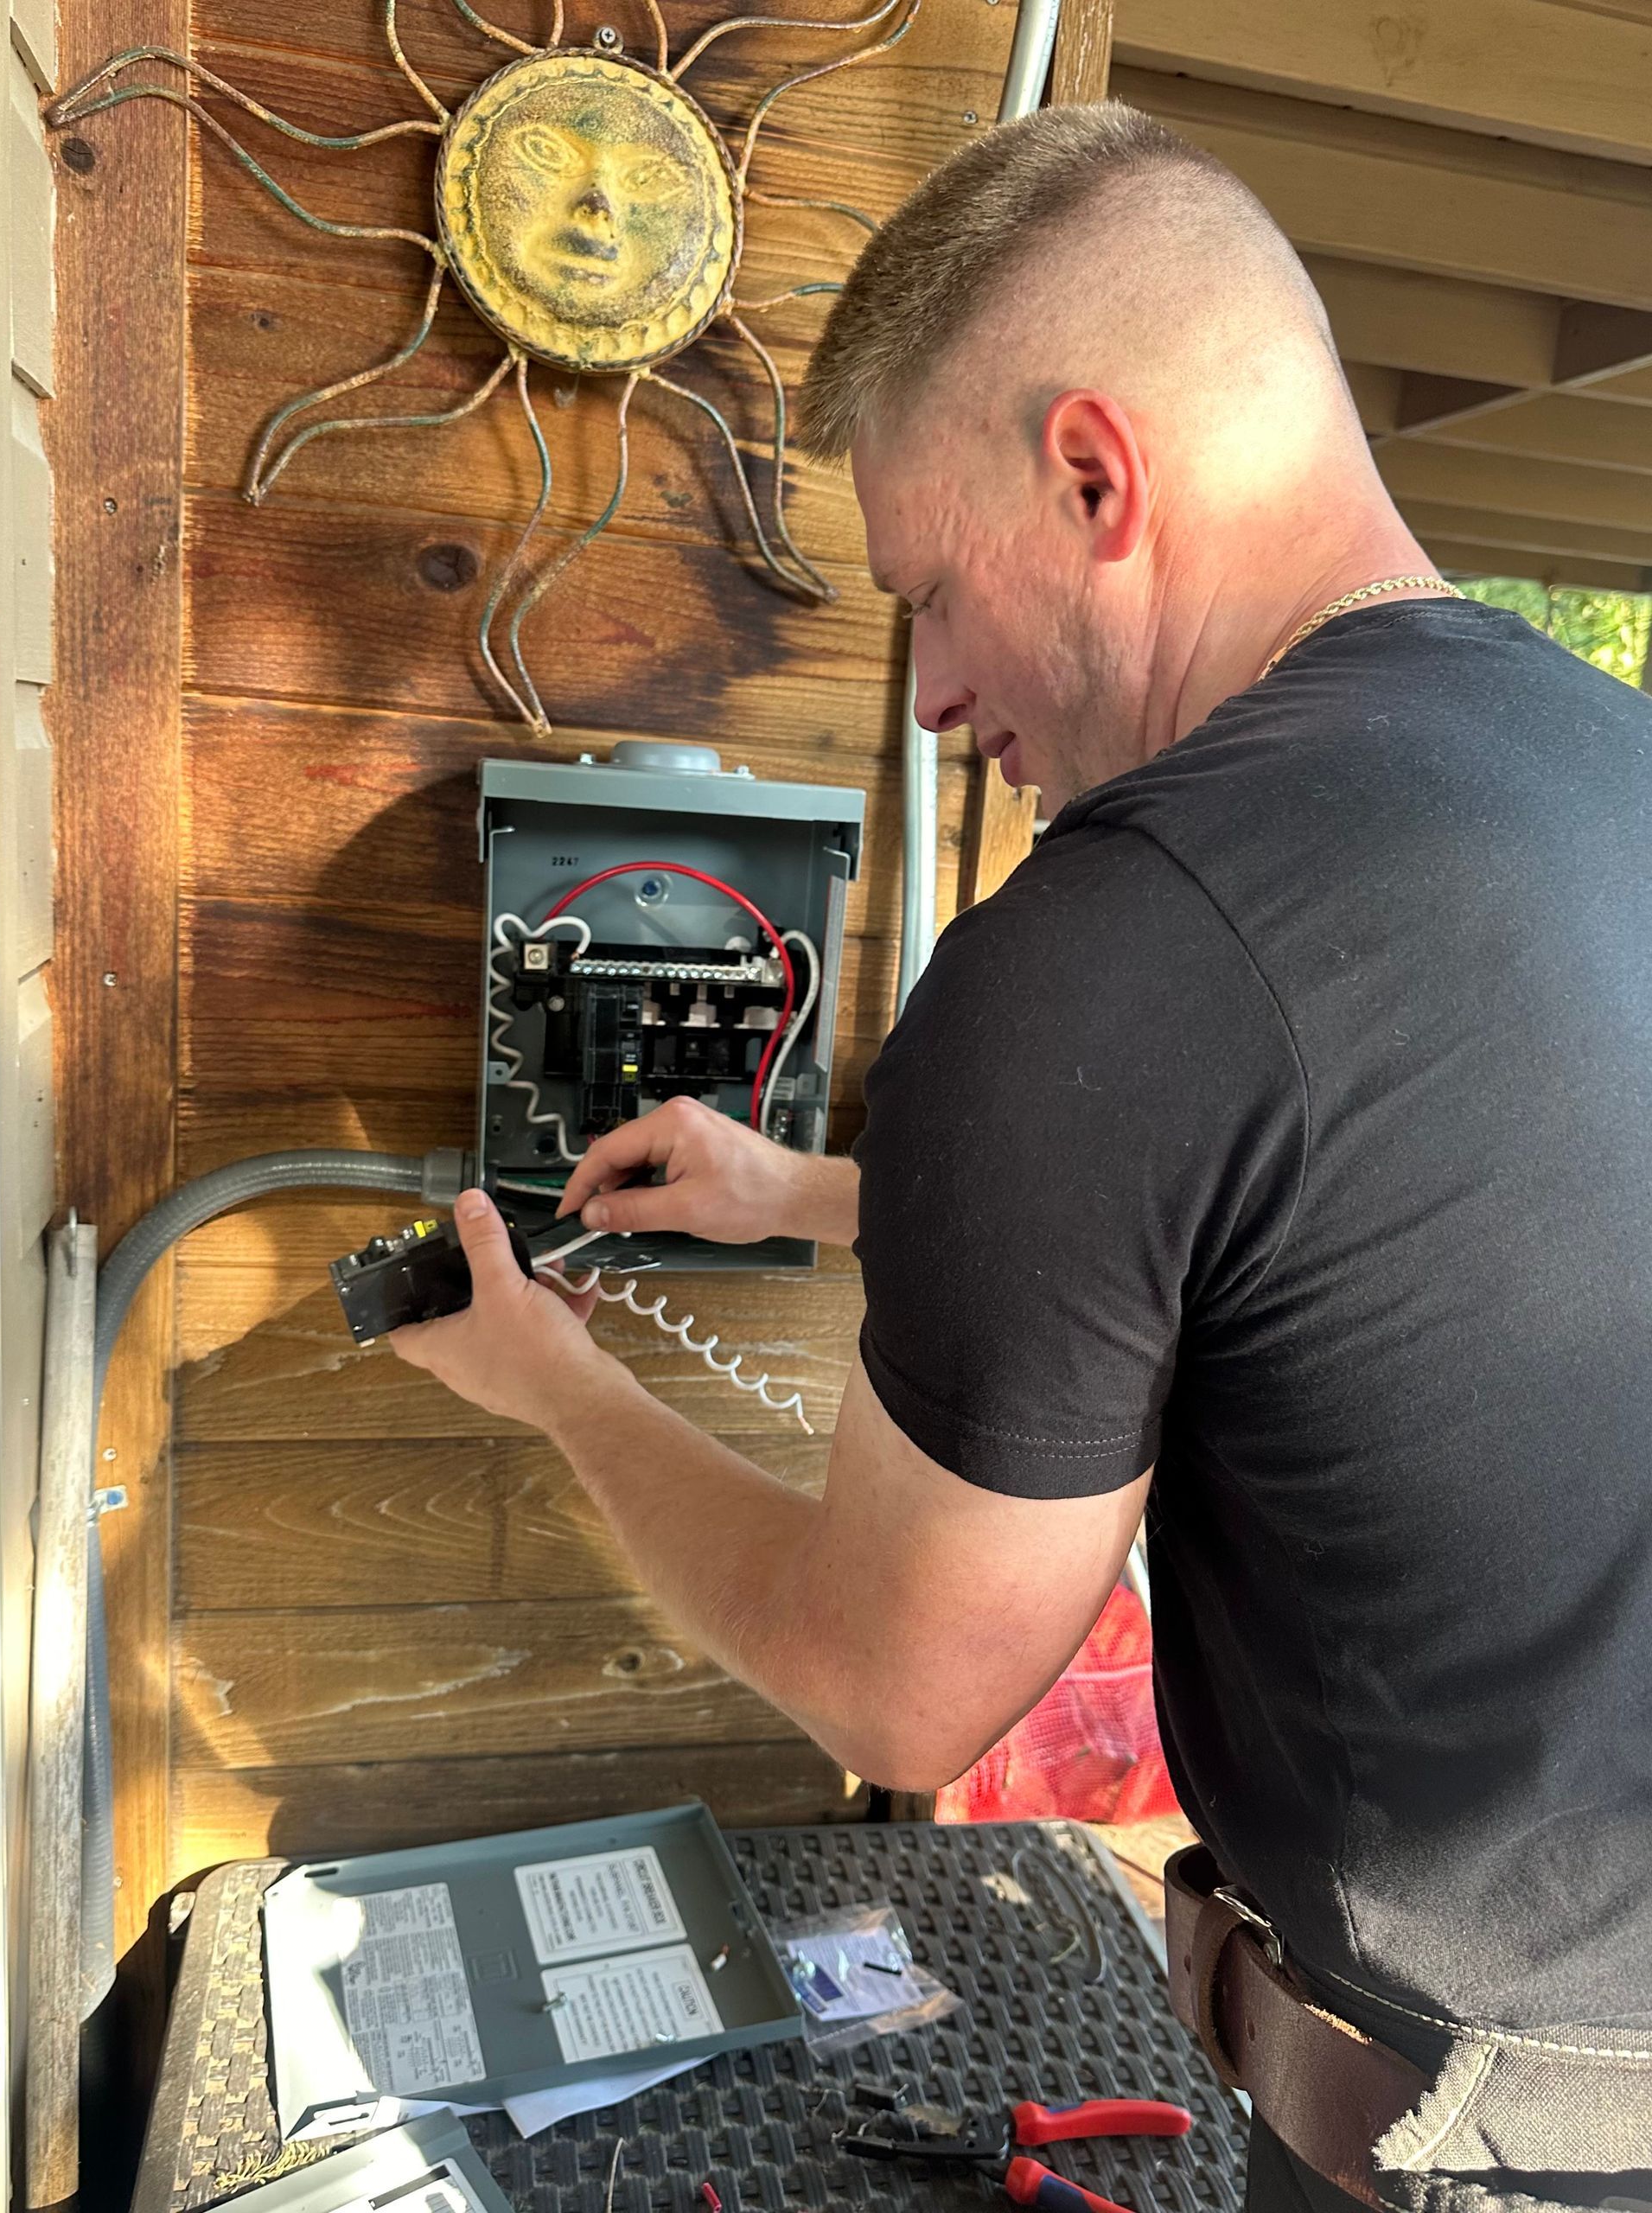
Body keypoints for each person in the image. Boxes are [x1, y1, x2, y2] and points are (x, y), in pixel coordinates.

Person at [392, 103, 1652, 2211]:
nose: (941, 691)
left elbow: (898, 1673)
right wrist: (799, 1192)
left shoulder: (1108, 942)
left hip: (1485, 2152)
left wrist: (555, 1384)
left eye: (927, 594)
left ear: (1093, 473)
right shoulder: (1598, 770)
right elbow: (1348, 1236)